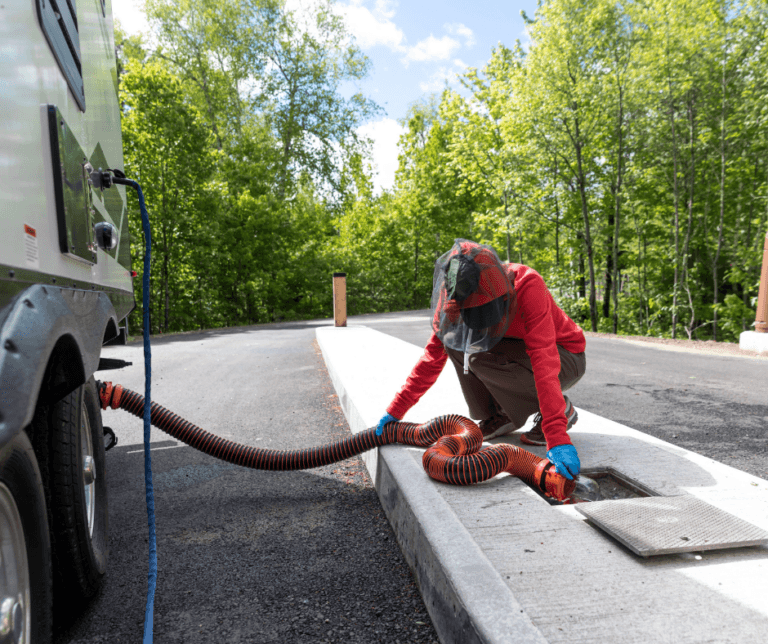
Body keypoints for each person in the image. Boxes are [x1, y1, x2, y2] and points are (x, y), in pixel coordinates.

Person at [376, 239, 586, 480]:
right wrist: (395, 411)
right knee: (455, 342)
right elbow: (432, 358)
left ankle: (563, 410)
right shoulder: (452, 298)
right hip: (518, 351)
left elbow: (544, 360)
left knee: (478, 357)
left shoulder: (527, 284)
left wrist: (556, 436)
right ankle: (502, 414)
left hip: (566, 356)